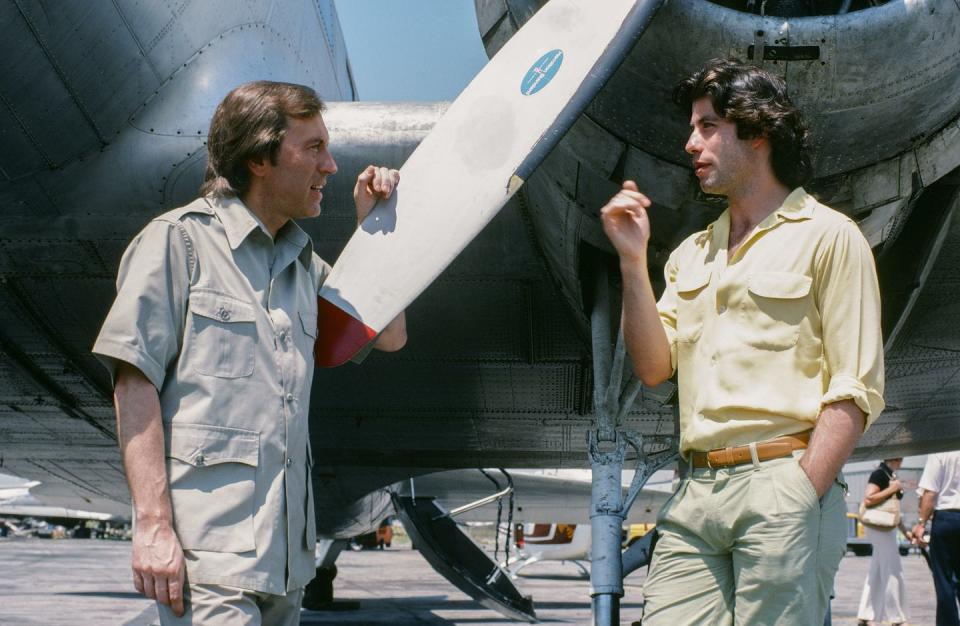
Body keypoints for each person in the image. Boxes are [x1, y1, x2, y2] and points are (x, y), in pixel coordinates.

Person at [93, 81, 407, 625]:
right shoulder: (177, 243)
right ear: (261, 158)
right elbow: (133, 381)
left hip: (285, 568)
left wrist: (374, 227)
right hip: (208, 560)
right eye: (314, 148)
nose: (331, 166)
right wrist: (151, 525)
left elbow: (390, 334)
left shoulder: (304, 268)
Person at [600, 58, 884, 625]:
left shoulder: (831, 237)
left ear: (756, 133)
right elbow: (654, 368)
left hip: (784, 484)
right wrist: (633, 261)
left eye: (707, 126)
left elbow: (855, 388)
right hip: (695, 491)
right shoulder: (689, 254)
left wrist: (801, 492)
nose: (690, 143)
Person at [857, 458, 909, 626]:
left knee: (877, 569)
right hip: (880, 528)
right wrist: (892, 489)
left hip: (887, 527)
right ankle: (896, 617)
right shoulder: (880, 474)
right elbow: (869, 498)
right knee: (893, 570)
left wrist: (905, 531)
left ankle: (866, 614)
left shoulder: (888, 474)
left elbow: (893, 509)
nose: (902, 459)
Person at [912, 451, 960, 626]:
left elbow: (930, 493)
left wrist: (921, 523)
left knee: (944, 580)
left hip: (946, 518)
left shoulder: (940, 452)